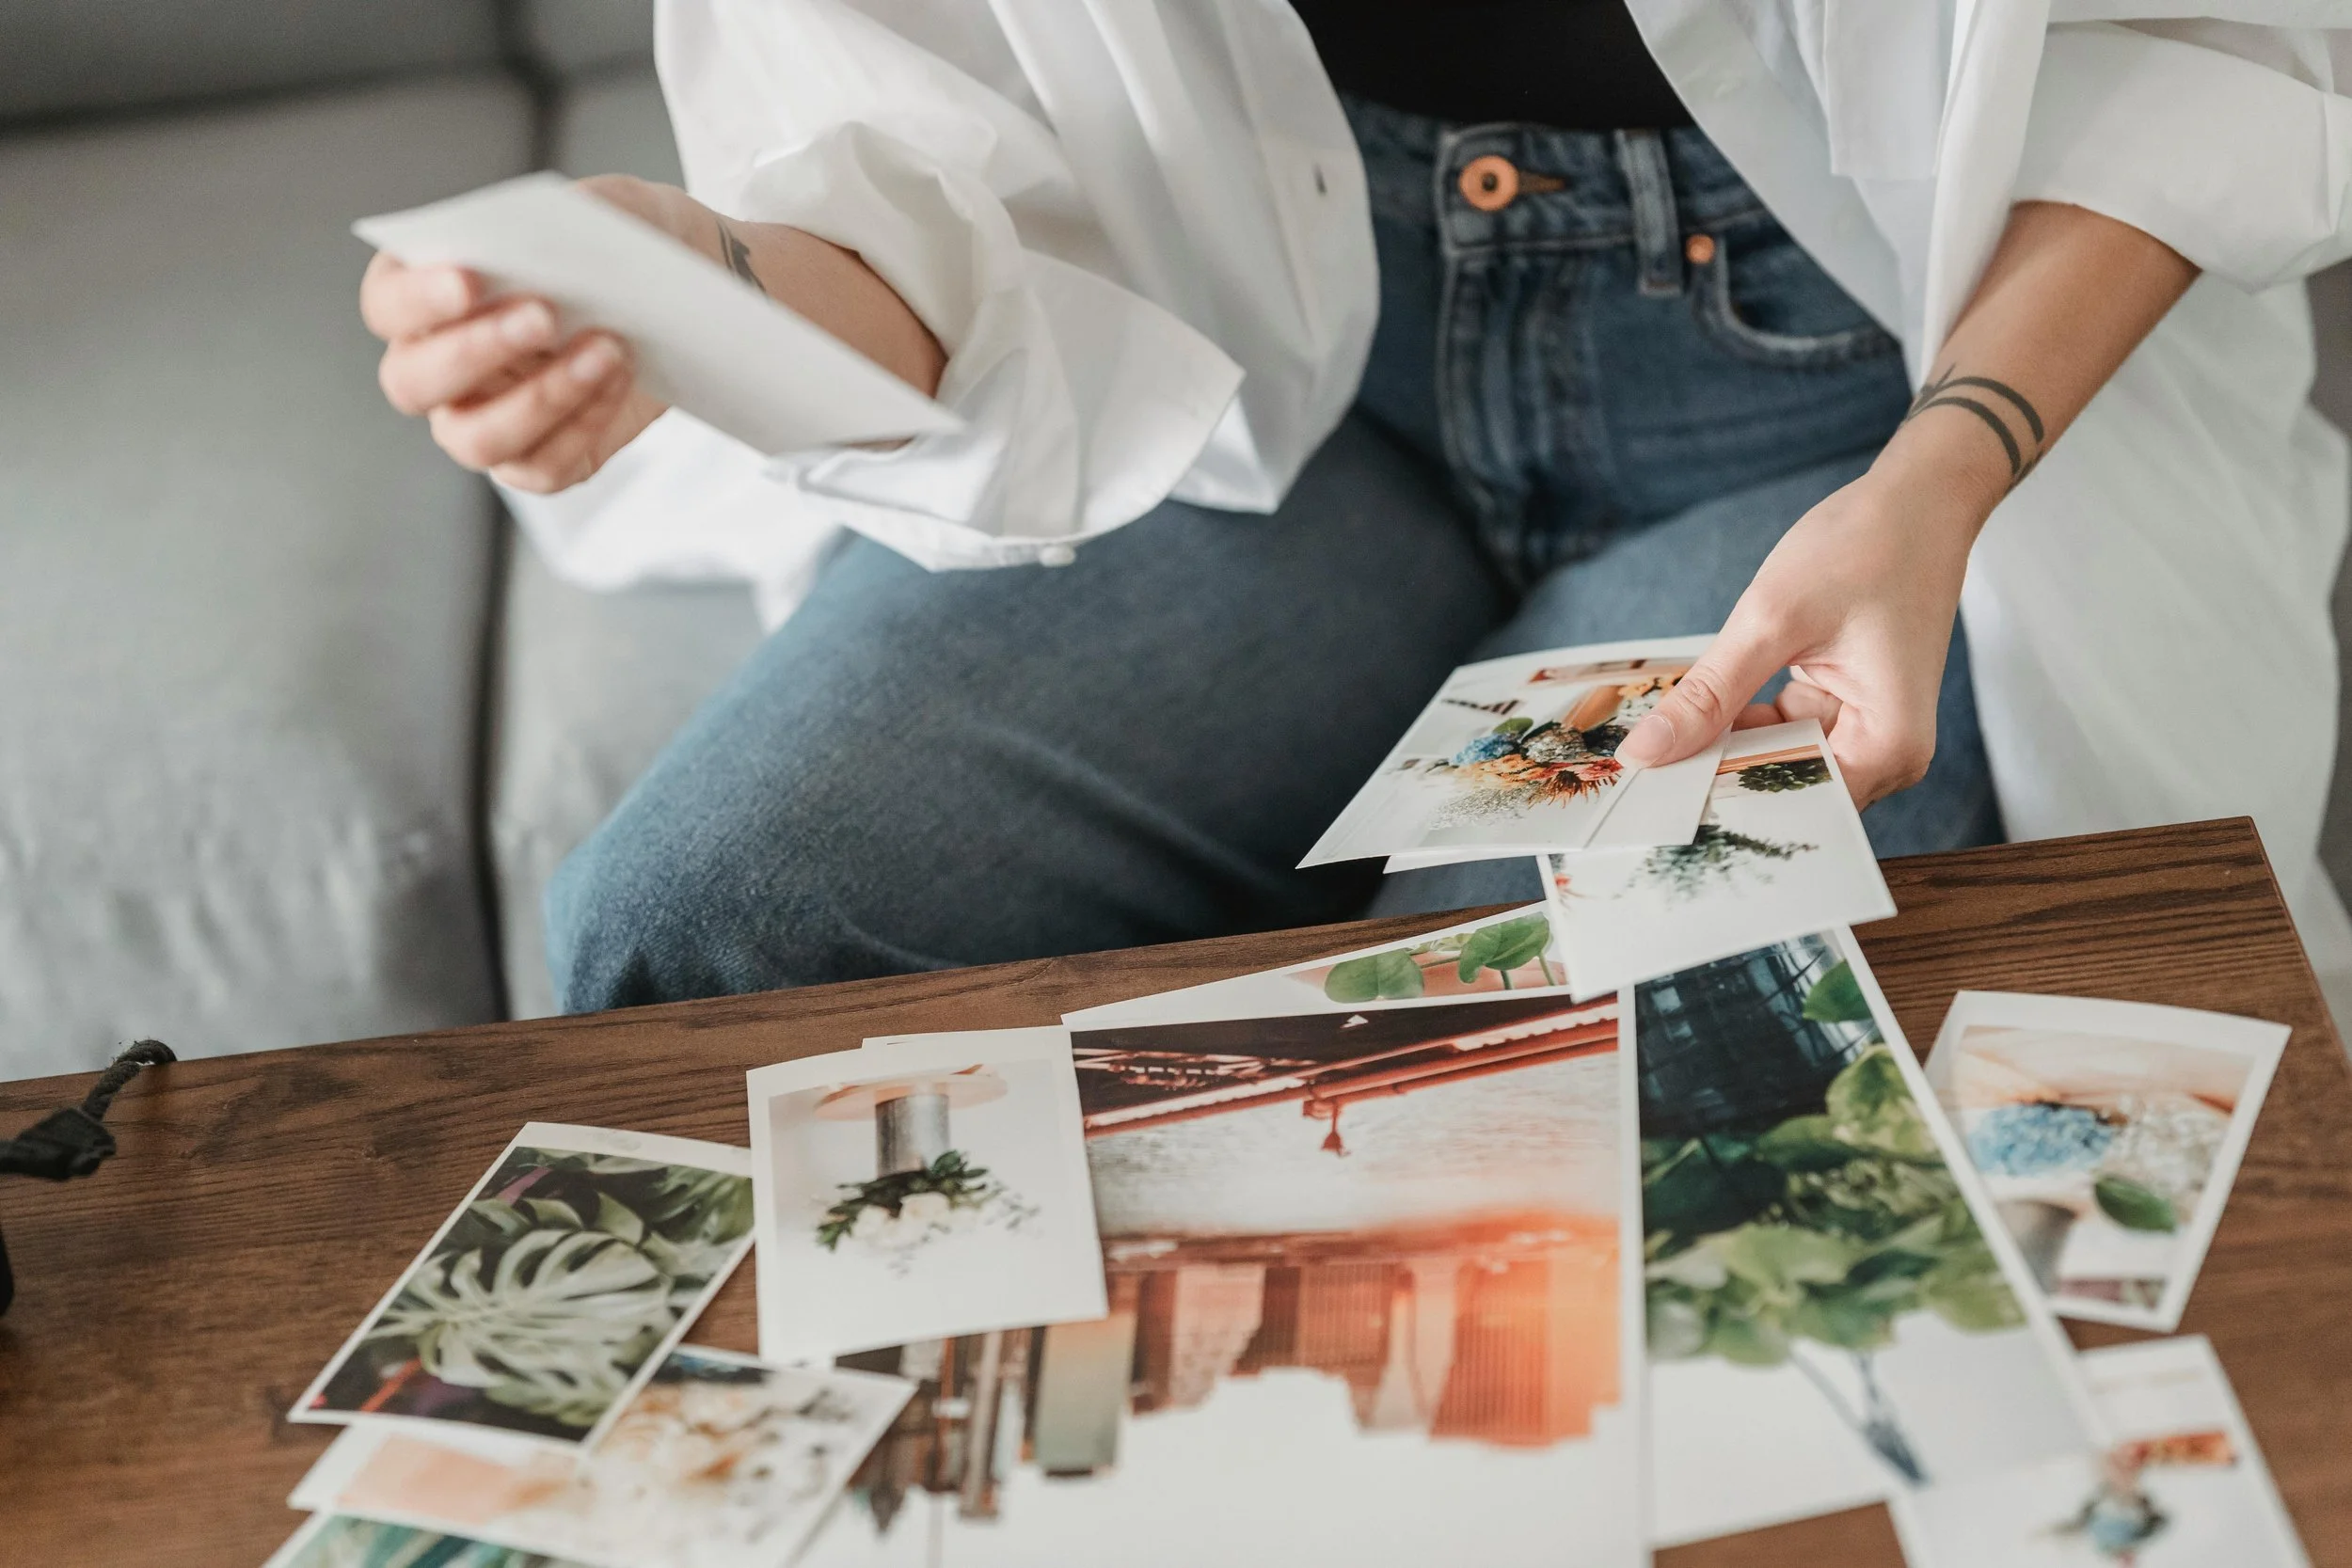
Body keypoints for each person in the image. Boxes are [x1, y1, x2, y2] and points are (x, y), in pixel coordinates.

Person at [359, 1, 2352, 1010]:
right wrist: (702, 286)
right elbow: (927, 217)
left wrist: (1945, 469)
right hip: (1272, 392)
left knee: (1527, 1021)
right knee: (706, 924)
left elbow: (2198, 44)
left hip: (1854, 399)